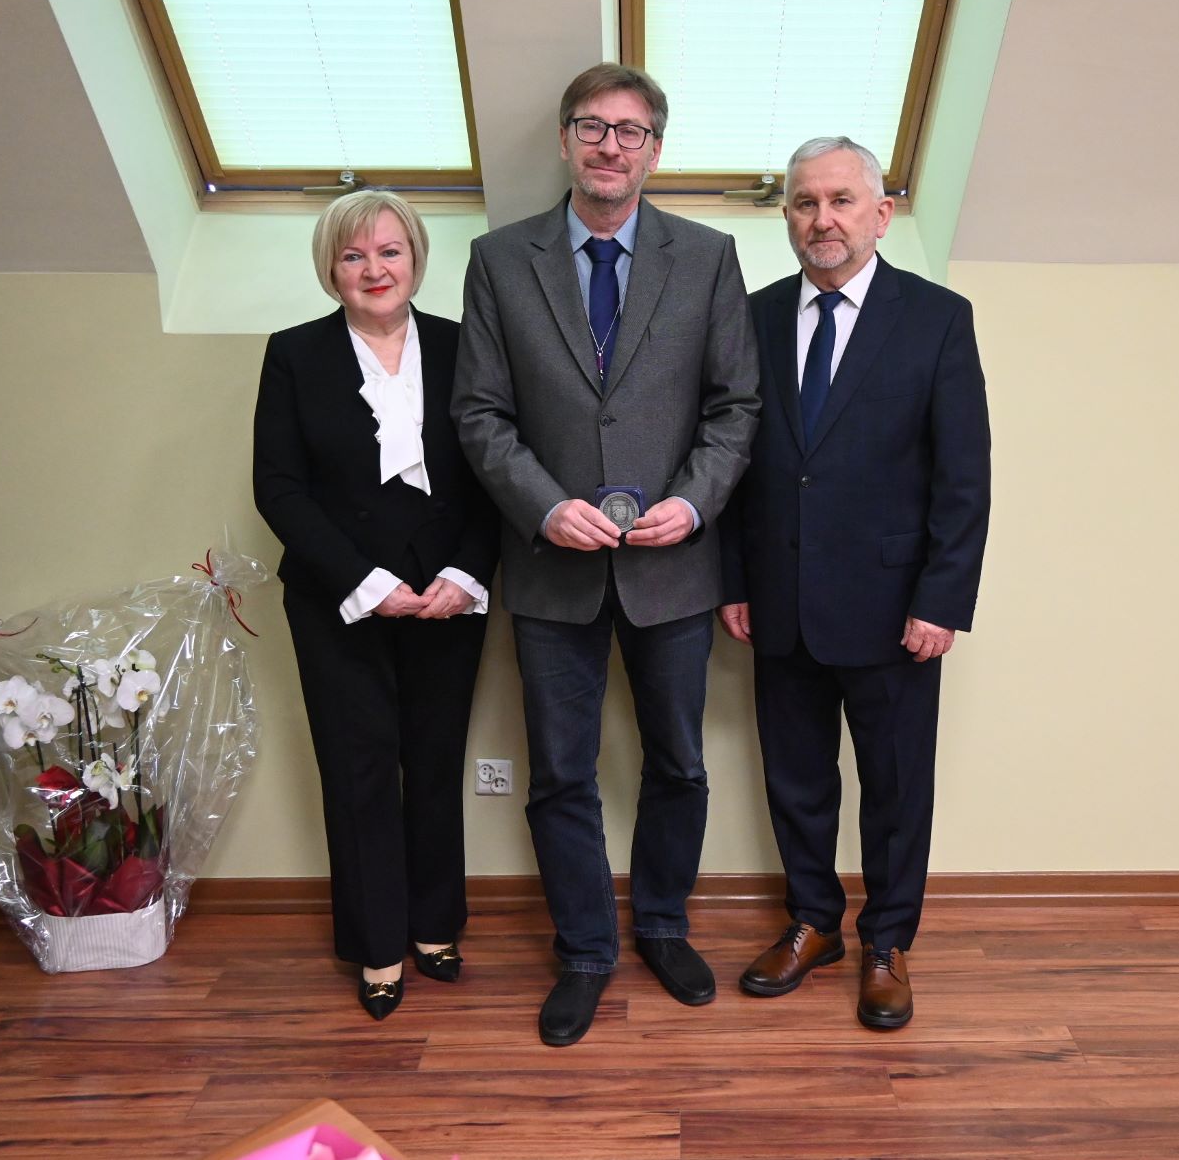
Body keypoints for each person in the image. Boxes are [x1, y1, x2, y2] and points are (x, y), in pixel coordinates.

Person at [452, 63, 760, 1046]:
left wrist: (693, 503)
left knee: (679, 763)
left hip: (672, 569)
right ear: (564, 140)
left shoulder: (707, 258)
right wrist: (543, 508)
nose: (610, 145)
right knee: (559, 775)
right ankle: (585, 951)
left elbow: (735, 408)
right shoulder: (499, 261)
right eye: (591, 126)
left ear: (654, 151)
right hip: (553, 573)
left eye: (630, 131)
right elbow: (479, 413)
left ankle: (663, 925)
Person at [720, 137, 991, 1030]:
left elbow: (963, 476)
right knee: (796, 781)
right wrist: (734, 579)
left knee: (895, 787)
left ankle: (887, 943)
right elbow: (731, 461)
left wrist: (940, 601)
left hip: (893, 609)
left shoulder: (936, 318)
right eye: (804, 202)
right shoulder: (753, 318)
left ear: (880, 213)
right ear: (787, 217)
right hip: (779, 602)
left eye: (840, 201)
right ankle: (813, 924)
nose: (821, 219)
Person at [253, 190, 500, 1022]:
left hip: (446, 595)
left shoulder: (466, 347)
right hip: (338, 599)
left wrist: (466, 573)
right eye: (354, 255)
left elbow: (496, 471)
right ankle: (378, 944)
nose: (374, 269)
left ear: (415, 259)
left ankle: (434, 925)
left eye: (389, 252)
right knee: (358, 770)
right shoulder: (294, 354)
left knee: (433, 761)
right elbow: (278, 488)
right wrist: (365, 583)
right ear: (331, 269)